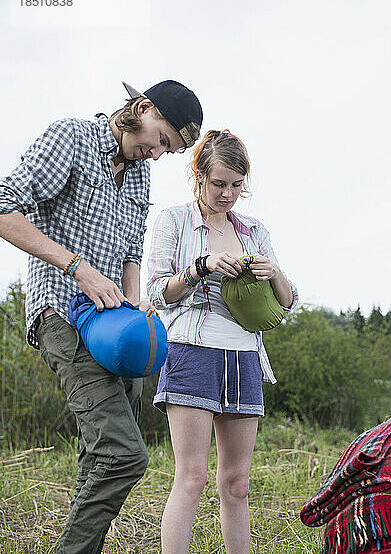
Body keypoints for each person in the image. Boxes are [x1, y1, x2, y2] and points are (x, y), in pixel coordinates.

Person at [0, 79, 203, 554]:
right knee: (124, 455)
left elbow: (133, 249)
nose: (156, 155)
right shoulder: (72, 137)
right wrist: (77, 266)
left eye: (167, 151)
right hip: (62, 313)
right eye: (161, 141)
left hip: (114, 327)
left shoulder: (139, 175)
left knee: (100, 455)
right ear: (145, 108)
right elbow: (4, 207)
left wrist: (134, 302)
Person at [147, 129, 298, 554]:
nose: (228, 194)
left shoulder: (253, 231)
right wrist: (202, 266)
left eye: (235, 185)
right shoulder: (174, 220)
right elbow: (157, 292)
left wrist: (275, 274)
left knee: (237, 483)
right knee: (191, 477)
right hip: (193, 351)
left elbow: (286, 303)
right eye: (218, 184)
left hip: (245, 356)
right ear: (199, 175)